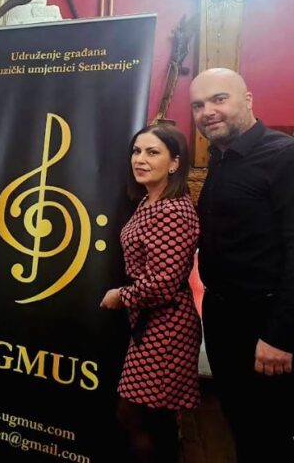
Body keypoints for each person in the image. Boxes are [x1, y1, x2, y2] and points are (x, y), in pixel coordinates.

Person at [189, 68, 293, 462]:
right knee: (240, 421)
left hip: (265, 323)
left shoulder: (284, 156)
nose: (207, 112)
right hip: (223, 318)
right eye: (198, 105)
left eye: (219, 99)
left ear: (247, 100)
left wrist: (281, 336)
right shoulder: (220, 156)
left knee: (271, 433)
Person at [100, 124, 201, 463]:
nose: (140, 159)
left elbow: (164, 282)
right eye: (136, 151)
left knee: (135, 413)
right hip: (150, 323)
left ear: (175, 163)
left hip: (167, 326)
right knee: (153, 417)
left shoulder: (171, 210)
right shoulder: (149, 199)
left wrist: (121, 296)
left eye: (152, 152)